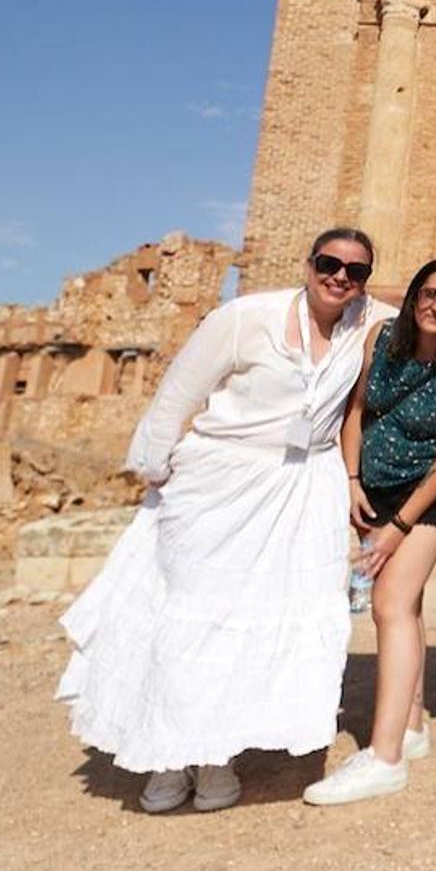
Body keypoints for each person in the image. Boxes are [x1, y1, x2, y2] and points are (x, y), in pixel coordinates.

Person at [57, 229, 393, 813]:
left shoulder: (366, 322)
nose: (340, 277)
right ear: (307, 263)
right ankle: (165, 758)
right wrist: (158, 468)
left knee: (260, 622)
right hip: (220, 482)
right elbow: (179, 391)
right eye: (329, 263)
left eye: (355, 271)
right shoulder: (244, 318)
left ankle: (217, 756)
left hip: (301, 490)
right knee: (192, 618)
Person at [303, 258, 436, 805]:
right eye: (430, 294)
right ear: (413, 297)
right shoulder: (382, 338)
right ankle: (411, 724)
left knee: (390, 603)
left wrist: (396, 528)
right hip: (375, 484)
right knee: (404, 606)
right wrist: (352, 478)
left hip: (432, 492)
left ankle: (385, 759)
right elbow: (357, 411)